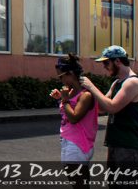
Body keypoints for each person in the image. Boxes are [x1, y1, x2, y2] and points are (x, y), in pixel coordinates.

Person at [80, 45, 138, 185]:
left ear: (117, 61)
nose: (104, 66)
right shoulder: (117, 83)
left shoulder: (133, 83)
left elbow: (112, 107)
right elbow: (102, 108)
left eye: (106, 62)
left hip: (129, 145)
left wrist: (91, 87)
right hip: (116, 143)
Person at [49, 53, 98, 185]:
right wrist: (62, 98)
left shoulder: (85, 95)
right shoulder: (71, 92)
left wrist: (64, 101)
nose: (60, 80)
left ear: (70, 73)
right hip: (68, 141)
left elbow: (74, 117)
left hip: (78, 145)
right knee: (76, 182)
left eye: (61, 76)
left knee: (79, 183)